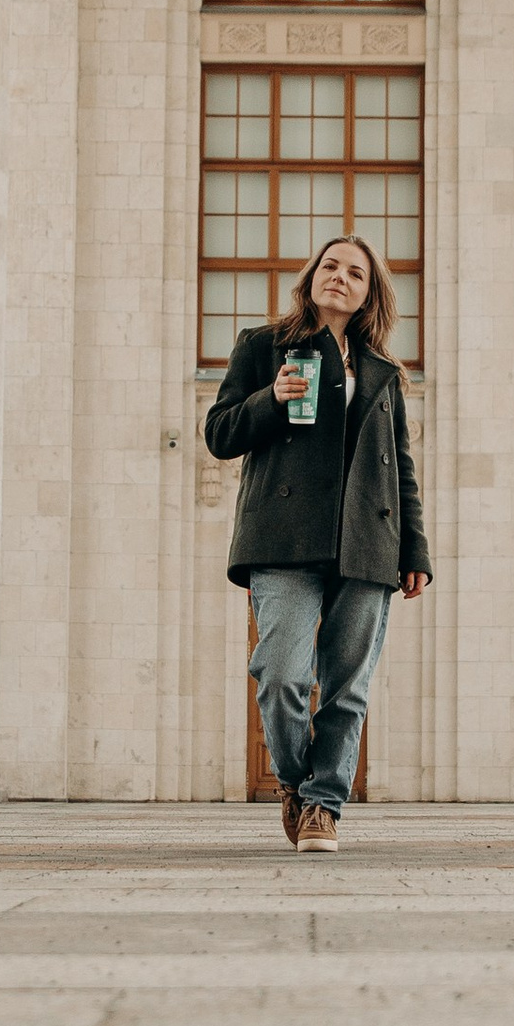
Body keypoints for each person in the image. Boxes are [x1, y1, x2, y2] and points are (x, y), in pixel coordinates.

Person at [204, 234, 431, 851]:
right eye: (330, 265)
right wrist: (269, 400)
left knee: (348, 685)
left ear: (368, 294)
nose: (340, 277)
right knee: (280, 675)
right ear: (311, 277)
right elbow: (220, 434)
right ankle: (295, 784)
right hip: (282, 538)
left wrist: (416, 551)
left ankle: (323, 807)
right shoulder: (262, 347)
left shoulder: (384, 373)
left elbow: (398, 467)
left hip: (368, 543)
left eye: (355, 273)